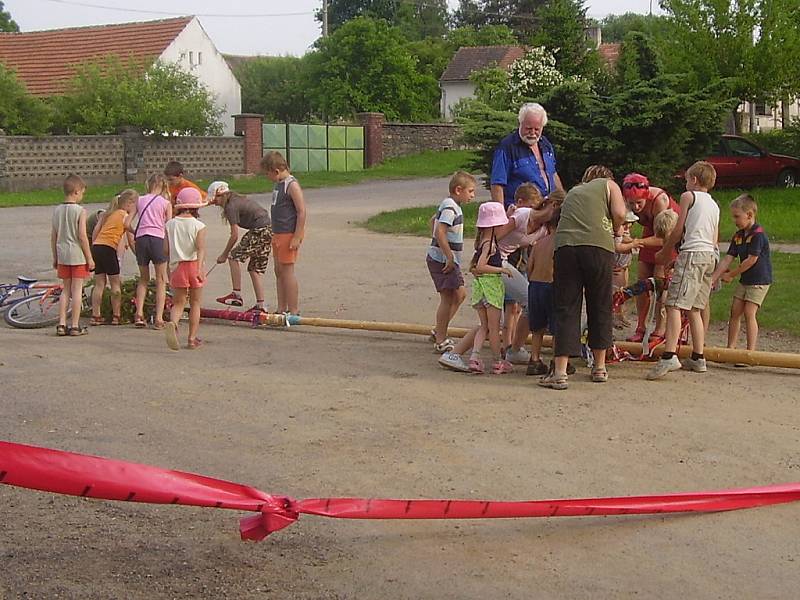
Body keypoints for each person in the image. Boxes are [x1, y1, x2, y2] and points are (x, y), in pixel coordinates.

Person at [539, 165, 626, 390]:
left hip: (566, 249)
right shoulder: (609, 185)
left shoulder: (574, 192)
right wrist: (616, 231)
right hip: (598, 247)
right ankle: (599, 367)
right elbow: (619, 213)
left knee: (566, 306)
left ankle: (559, 372)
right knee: (600, 305)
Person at [647, 161, 719, 380]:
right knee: (695, 308)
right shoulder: (715, 205)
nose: (686, 184)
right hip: (709, 255)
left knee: (674, 305)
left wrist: (666, 253)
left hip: (693, 253)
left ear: (694, 180)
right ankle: (698, 356)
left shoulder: (689, 197)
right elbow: (715, 236)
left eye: (687, 179)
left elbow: (679, 229)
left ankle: (669, 355)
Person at [622, 173, 680, 344]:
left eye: (639, 203)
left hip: (668, 236)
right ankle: (641, 326)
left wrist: (636, 241)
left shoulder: (659, 201)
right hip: (650, 231)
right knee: (642, 279)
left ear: (646, 196)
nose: (636, 207)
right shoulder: (626, 202)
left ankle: (660, 328)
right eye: (631, 203)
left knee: (659, 282)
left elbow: (663, 236)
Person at [712, 194, 772, 354]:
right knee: (735, 311)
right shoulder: (738, 236)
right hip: (745, 280)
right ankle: (730, 348)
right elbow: (727, 259)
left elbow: (751, 260)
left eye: (737, 216)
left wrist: (731, 274)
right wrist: (714, 278)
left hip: (759, 280)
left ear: (750, 215)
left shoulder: (758, 235)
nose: (734, 220)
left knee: (749, 312)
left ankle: (749, 352)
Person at [497, 182, 547, 364]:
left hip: (505, 261)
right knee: (528, 301)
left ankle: (514, 347)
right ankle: (513, 349)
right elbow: (495, 235)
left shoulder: (540, 226)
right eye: (532, 207)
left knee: (525, 303)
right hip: (496, 262)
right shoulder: (521, 214)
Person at [426, 171, 475, 352]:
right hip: (444, 261)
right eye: (470, 191)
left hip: (446, 259)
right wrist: (447, 255)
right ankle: (440, 339)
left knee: (460, 295)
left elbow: (433, 221)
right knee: (447, 297)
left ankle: (439, 329)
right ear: (458, 189)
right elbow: (439, 231)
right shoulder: (450, 207)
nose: (473, 195)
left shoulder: (451, 205)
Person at [208, 181, 273, 314]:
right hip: (268, 229)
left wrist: (224, 254)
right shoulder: (236, 199)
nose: (215, 203)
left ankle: (236, 294)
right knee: (255, 269)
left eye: (215, 199)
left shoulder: (230, 206)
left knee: (233, 257)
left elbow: (234, 235)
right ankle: (261, 305)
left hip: (259, 230)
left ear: (220, 195)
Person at [467, 202, 514, 374]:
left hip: (480, 289)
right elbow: (480, 266)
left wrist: (509, 213)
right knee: (494, 328)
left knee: (483, 326)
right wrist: (502, 269)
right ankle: (497, 361)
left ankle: (474, 356)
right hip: (490, 287)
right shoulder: (489, 244)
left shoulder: (482, 241)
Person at [490, 102, 564, 208]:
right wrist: (501, 217)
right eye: (528, 128)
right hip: (520, 213)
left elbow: (553, 174)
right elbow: (497, 184)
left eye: (537, 129)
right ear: (520, 123)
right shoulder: (507, 147)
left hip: (547, 210)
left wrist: (562, 201)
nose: (532, 133)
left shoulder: (546, 145)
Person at [261, 151, 306, 316]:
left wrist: (297, 236)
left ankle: (293, 310)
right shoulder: (278, 184)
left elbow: (301, 211)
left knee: (287, 272)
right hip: (278, 233)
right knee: (278, 271)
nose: (267, 177)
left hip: (288, 234)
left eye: (267, 173)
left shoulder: (291, 185)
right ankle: (281, 307)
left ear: (275, 170)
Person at [164, 187, 207, 351]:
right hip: (194, 264)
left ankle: (173, 324)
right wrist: (200, 269)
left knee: (178, 302)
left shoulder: (169, 224)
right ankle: (191, 338)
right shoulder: (199, 225)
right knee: (195, 303)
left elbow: (165, 250)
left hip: (177, 266)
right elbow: (201, 248)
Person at [51, 174, 94, 336]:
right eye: (82, 192)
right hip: (77, 255)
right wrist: (89, 258)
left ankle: (61, 324)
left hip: (62, 254)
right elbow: (82, 236)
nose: (82, 196)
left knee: (65, 290)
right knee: (77, 290)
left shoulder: (57, 210)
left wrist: (55, 256)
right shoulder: (80, 211)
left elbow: (54, 235)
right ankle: (75, 325)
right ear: (76, 192)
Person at [89, 189, 137, 325]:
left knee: (99, 283)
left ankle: (95, 315)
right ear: (129, 204)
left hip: (97, 246)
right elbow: (128, 228)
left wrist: (94, 246)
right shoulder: (124, 215)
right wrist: (137, 231)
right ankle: (116, 315)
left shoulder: (108, 214)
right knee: (115, 283)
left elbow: (96, 231)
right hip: (109, 248)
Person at [131, 173, 173, 329]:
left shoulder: (139, 200)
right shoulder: (165, 203)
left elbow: (127, 222)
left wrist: (136, 231)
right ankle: (159, 318)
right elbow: (169, 225)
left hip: (141, 239)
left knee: (143, 279)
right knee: (161, 280)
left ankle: (139, 314)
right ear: (163, 186)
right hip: (157, 239)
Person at [526, 207, 560, 375]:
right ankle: (557, 361)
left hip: (535, 285)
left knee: (537, 327)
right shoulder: (561, 243)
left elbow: (529, 267)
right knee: (557, 327)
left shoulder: (539, 243)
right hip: (553, 286)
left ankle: (534, 359)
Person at [612, 211, 644, 328]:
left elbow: (626, 239)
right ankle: (614, 316)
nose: (627, 226)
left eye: (630, 224)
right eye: (624, 223)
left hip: (624, 266)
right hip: (617, 267)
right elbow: (618, 247)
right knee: (617, 291)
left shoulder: (624, 232)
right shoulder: (616, 233)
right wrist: (632, 244)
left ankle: (620, 315)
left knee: (623, 290)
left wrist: (633, 242)